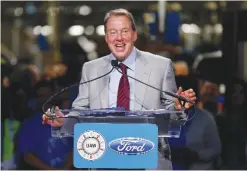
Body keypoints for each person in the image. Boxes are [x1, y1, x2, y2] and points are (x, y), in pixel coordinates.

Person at [42, 8, 196, 169]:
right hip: (104, 161)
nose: (119, 38)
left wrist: (178, 108)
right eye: (113, 32)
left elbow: (172, 116)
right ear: (107, 37)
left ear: (134, 35)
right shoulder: (91, 68)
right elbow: (80, 113)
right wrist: (63, 120)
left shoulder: (160, 66)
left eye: (124, 31)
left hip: (148, 162)